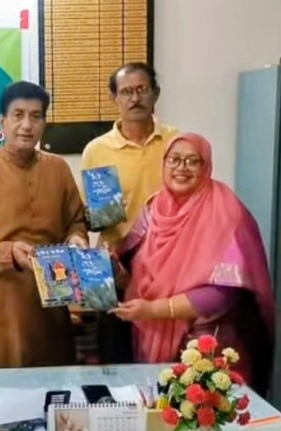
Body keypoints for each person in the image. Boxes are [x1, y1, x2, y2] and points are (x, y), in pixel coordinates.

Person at [110, 132, 276, 395]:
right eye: (174, 159)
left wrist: (153, 309)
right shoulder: (153, 209)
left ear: (206, 166)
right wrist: (116, 272)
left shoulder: (226, 212)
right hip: (152, 342)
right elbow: (135, 270)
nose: (181, 168)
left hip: (209, 349)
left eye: (192, 161)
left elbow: (222, 294)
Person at [0, 81, 89, 368]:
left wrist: (77, 239)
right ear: (2, 122)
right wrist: (7, 252)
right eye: (18, 115)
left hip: (53, 305)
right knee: (4, 390)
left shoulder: (58, 168)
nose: (27, 125)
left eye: (35, 116)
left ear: (44, 123)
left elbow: (75, 222)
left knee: (55, 385)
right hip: (0, 308)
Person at [79, 62, 178, 364]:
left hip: (166, 263)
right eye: (126, 92)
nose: (134, 98)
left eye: (142, 89)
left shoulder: (176, 142)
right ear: (114, 99)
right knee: (112, 358)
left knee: (164, 356)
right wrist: (98, 214)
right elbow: (86, 221)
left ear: (155, 94)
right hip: (111, 265)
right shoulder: (96, 150)